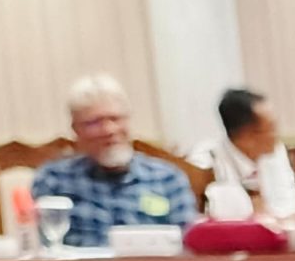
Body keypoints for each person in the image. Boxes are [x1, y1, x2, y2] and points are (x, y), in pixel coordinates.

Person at [28, 74, 195, 249]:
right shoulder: (53, 180)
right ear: (76, 130)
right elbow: (42, 248)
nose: (108, 130)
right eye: (94, 123)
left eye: (115, 118)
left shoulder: (167, 179)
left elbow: (188, 247)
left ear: (128, 121)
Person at [184, 87, 295, 236]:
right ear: (246, 135)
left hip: (275, 238)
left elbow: (288, 206)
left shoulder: (276, 152)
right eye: (271, 128)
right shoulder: (205, 162)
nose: (277, 135)